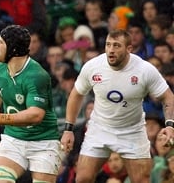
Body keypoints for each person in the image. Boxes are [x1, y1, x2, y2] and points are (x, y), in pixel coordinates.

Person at [60, 30, 174, 183]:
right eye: (108, 45)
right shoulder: (93, 66)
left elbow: (168, 97)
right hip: (99, 129)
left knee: (142, 180)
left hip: (132, 131)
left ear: (129, 49)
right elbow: (76, 94)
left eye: (116, 46)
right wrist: (68, 129)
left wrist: (170, 125)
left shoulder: (145, 70)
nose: (111, 50)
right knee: (82, 178)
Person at [0, 25, 61, 183]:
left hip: (43, 142)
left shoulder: (37, 75)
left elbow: (36, 115)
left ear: (12, 48)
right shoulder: (0, 70)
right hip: (13, 139)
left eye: (0, 42)